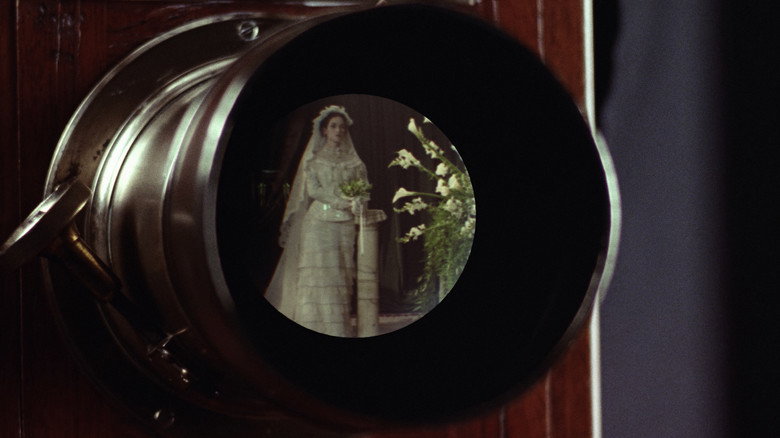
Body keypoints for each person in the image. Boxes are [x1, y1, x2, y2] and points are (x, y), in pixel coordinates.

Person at [265, 105, 368, 337]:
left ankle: (338, 328)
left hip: (345, 224)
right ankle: (312, 326)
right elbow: (314, 190)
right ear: (324, 130)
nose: (339, 130)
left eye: (342, 127)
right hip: (318, 224)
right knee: (318, 275)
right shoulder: (314, 160)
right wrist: (342, 202)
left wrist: (359, 201)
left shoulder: (354, 161)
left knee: (340, 274)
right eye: (334, 126)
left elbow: (363, 188)